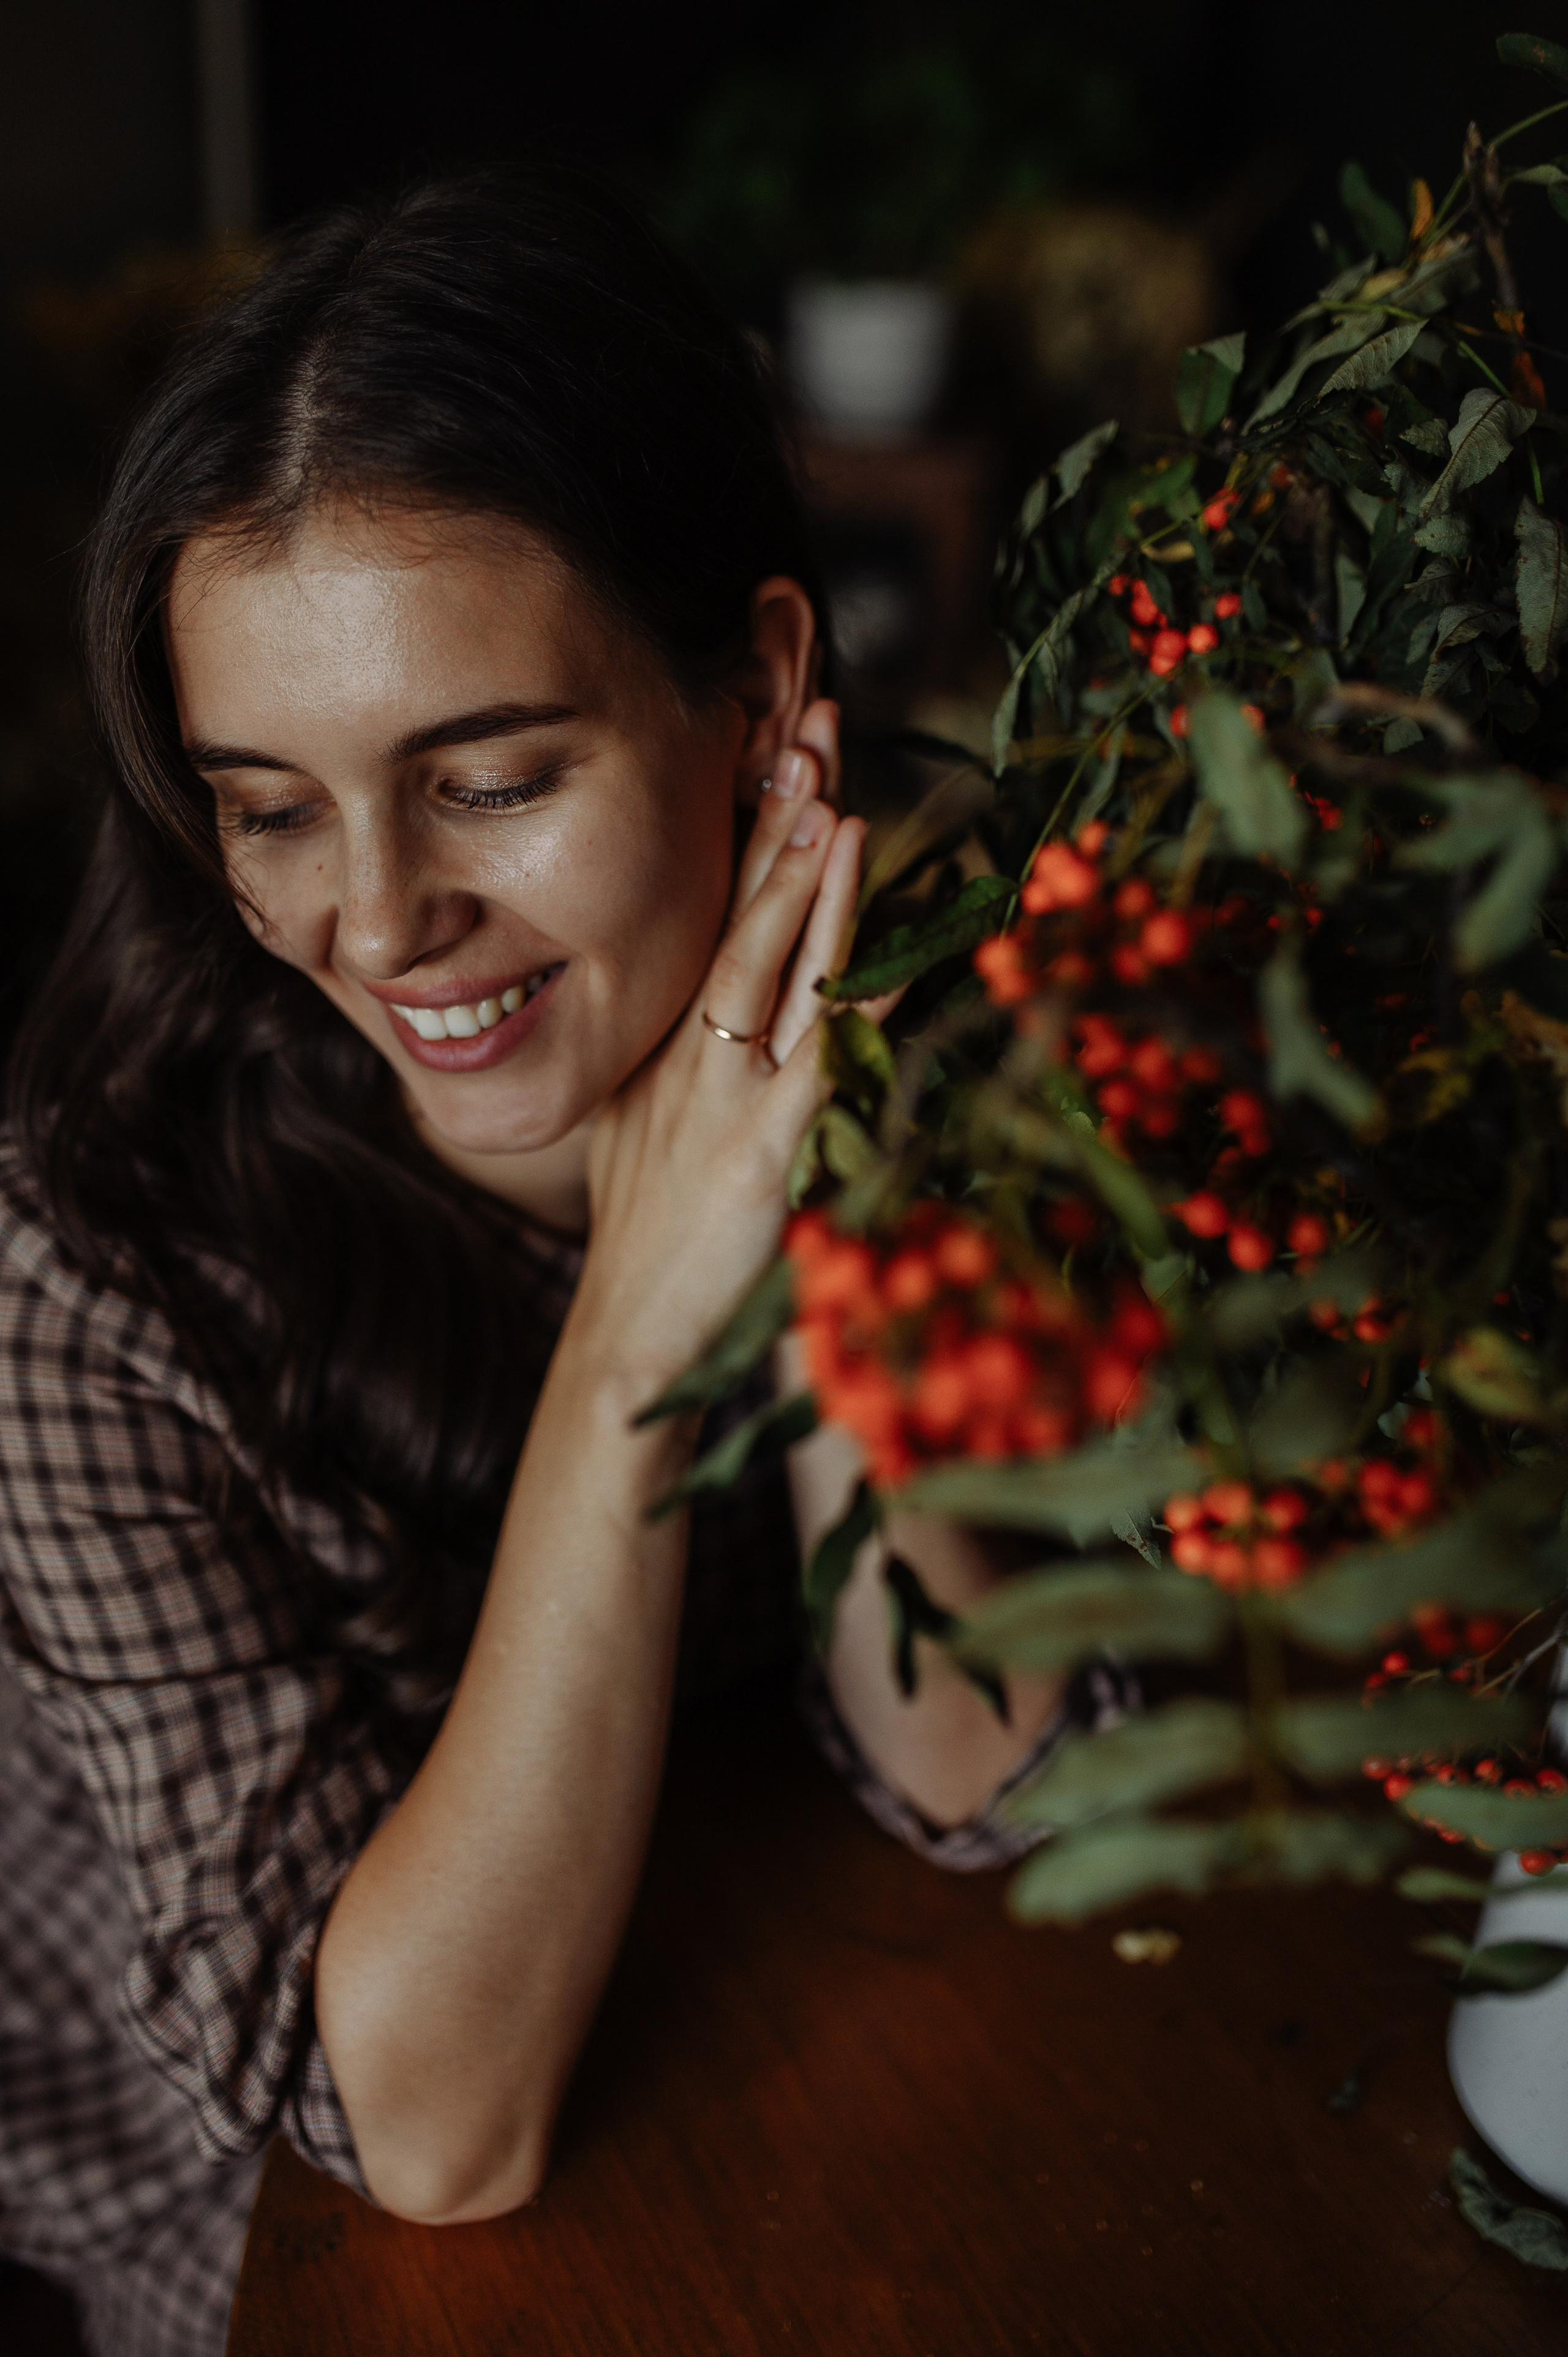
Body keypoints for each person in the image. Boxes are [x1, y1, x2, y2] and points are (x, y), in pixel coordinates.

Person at [0, 169, 1123, 2357]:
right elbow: (426, 2127)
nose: (380, 919)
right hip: (278, 2233)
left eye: (492, 777)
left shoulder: (960, 1025)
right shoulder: (92, 1276)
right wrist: (636, 1332)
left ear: (763, 688)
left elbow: (985, 1776)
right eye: (271, 808)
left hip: (769, 2037)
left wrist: (815, 1174)